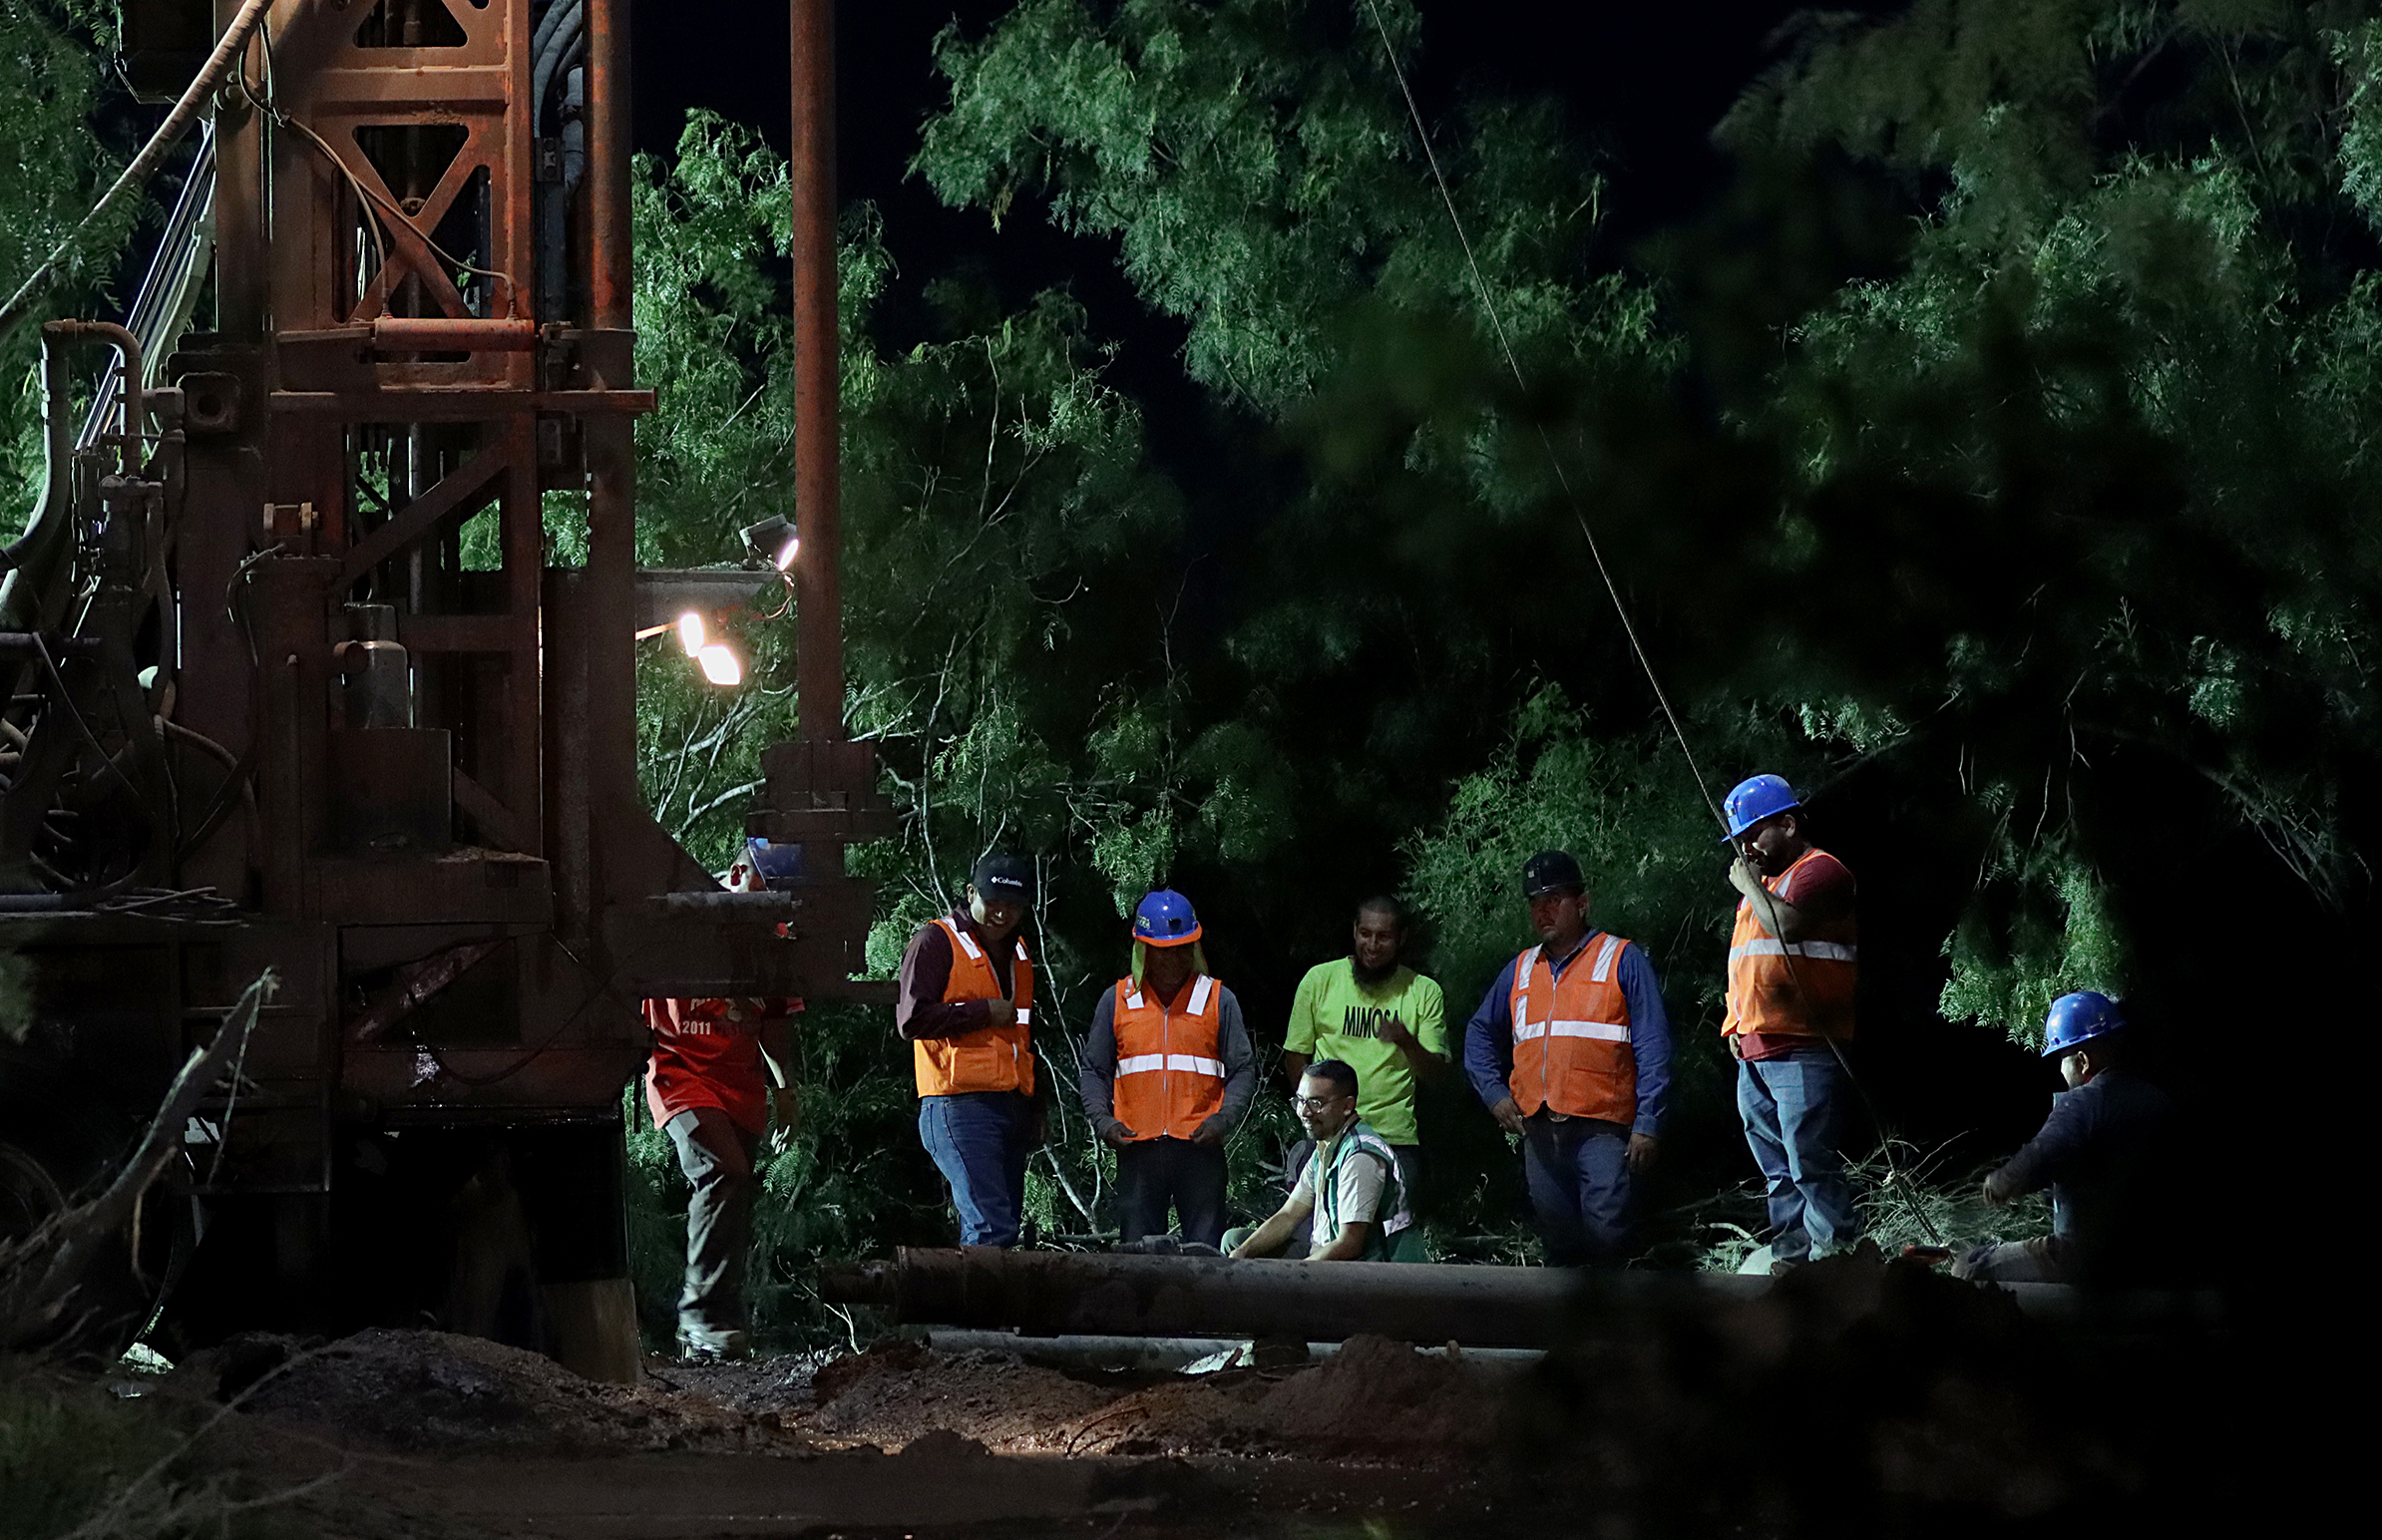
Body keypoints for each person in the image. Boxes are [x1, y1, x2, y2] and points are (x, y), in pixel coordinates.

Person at [1461, 850, 1671, 1266]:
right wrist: (1494, 1094)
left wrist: (1648, 1122)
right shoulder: (1521, 969)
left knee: (1608, 1239)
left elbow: (1654, 1045)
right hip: (1540, 1134)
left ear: (1582, 902)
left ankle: (1615, 1329)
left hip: (1603, 1133)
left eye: (1554, 899)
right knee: (1559, 1246)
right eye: (1536, 902)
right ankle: (1569, 1331)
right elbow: (1479, 1033)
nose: (1543, 910)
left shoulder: (1621, 959)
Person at [642, 841, 803, 1360]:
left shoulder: (774, 940)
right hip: (680, 1072)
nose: (775, 900)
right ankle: (699, 1314)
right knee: (724, 1171)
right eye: (767, 885)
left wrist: (785, 1089)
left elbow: (775, 1023)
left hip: (741, 1086)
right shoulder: (679, 919)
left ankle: (711, 1331)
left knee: (735, 1199)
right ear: (739, 872)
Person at [1720, 774, 1861, 1269]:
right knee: (1777, 1168)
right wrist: (1735, 1026)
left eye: (1754, 832)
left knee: (1809, 1162)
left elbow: (1788, 926)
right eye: (1738, 838)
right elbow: (1748, 964)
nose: (1745, 846)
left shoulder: (1820, 870)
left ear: (1788, 822)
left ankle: (1837, 1259)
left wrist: (1751, 887)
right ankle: (1792, 1262)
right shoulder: (1763, 888)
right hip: (1757, 1052)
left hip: (1806, 1046)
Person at [1953, 991, 2180, 1288]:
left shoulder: (2086, 1102)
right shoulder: (2159, 1100)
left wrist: (1998, 1184)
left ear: (2083, 1061)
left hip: (2090, 1260)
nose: (2061, 1069)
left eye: (2062, 1058)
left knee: (1966, 1267)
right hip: (2160, 1258)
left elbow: (2039, 1157)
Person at [1079, 890, 1257, 1249]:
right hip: (1137, 1150)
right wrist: (1104, 1122)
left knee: (1206, 1256)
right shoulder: (1117, 999)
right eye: (1162, 950)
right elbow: (1094, 1070)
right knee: (1139, 1259)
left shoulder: (1217, 999)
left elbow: (1243, 1070)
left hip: (1200, 1149)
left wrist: (1223, 1120)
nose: (1173, 959)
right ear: (1142, 949)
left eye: (1182, 947)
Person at [896, 853, 1049, 1247]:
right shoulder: (935, 941)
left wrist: (1035, 1106)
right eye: (993, 901)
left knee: (1003, 1231)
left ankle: (982, 1307)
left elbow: (1026, 1036)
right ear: (970, 894)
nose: (1002, 913)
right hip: (957, 1105)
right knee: (990, 1230)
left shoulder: (1020, 953)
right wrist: (981, 1012)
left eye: (1013, 905)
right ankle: (977, 1308)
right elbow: (911, 1021)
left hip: (1010, 1104)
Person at [1282, 896, 1446, 1204]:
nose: (1372, 945)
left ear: (1401, 939)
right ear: (1354, 931)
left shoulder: (1424, 992)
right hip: (1328, 1137)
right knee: (1321, 1236)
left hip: (1393, 1140)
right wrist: (1312, 1111)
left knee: (1385, 1241)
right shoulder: (1320, 980)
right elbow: (1295, 1055)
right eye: (1365, 934)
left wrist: (1407, 1042)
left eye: (1383, 936)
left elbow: (1436, 1075)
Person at [1228, 1059, 1423, 1261]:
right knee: (1235, 1242)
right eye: (1301, 1101)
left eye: (1316, 1103)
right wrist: (1241, 1252)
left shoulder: (1360, 1155)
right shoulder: (1327, 1146)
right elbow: (1288, 1216)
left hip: (1371, 1271)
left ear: (1348, 1106)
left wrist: (1299, 1276)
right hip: (1327, 1257)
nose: (1304, 1112)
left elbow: (1349, 1244)